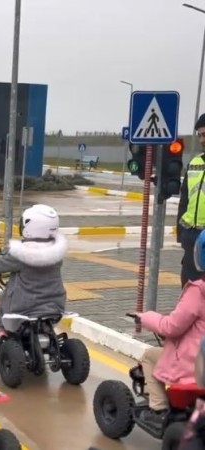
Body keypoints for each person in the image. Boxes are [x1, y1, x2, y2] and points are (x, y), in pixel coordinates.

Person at [133, 228, 205, 430]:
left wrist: (145, 317)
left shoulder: (198, 291)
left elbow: (171, 327)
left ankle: (158, 409)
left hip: (194, 365)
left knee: (149, 356)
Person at [0, 204, 67, 337]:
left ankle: (0, 332)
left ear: (30, 226)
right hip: (55, 305)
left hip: (24, 307)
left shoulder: (21, 253)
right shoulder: (57, 253)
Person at [177, 113, 205, 287]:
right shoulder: (195, 163)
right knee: (188, 286)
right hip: (191, 236)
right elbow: (184, 199)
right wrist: (181, 232)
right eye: (200, 135)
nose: (202, 140)